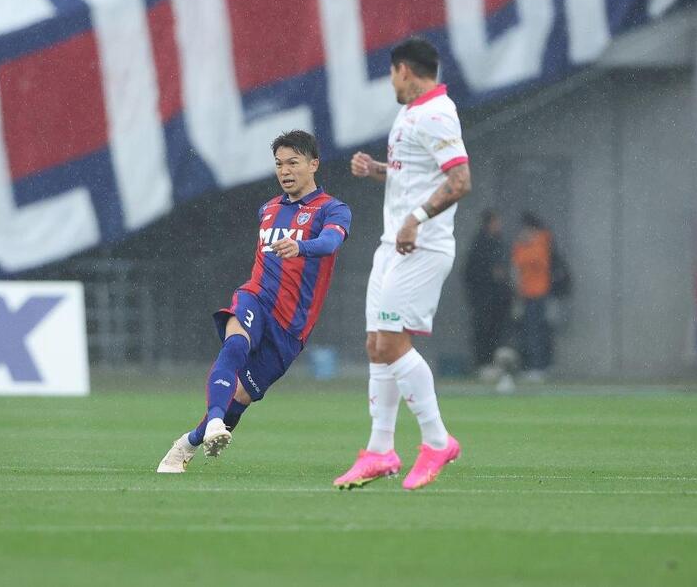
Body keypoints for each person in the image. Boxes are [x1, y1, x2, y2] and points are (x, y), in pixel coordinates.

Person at [157, 130, 352, 473]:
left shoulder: (332, 209)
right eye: (279, 164)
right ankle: (214, 421)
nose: (285, 171)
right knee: (235, 344)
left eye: (293, 162)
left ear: (313, 164)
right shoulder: (268, 209)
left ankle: (189, 441)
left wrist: (301, 246)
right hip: (256, 298)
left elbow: (330, 244)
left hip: (291, 326)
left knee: (241, 398)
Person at [334, 37, 471, 491]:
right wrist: (376, 169)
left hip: (421, 245)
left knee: (392, 342)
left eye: (392, 73)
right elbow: (415, 174)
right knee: (377, 344)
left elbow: (460, 179)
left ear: (404, 71)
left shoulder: (436, 113)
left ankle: (437, 441)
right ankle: (380, 451)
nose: (391, 82)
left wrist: (415, 219)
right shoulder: (412, 113)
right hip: (393, 243)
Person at [463, 209, 512, 376]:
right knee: (483, 331)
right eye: (496, 222)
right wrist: (489, 274)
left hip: (499, 299)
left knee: (497, 332)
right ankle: (482, 364)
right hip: (483, 299)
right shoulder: (480, 244)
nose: (499, 225)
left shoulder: (499, 242)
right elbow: (470, 272)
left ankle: (495, 365)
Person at [511, 212, 555, 381]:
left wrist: (525, 245)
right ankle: (532, 365)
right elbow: (516, 264)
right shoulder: (523, 245)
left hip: (539, 293)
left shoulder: (541, 241)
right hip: (526, 294)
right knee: (528, 331)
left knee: (536, 331)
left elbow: (534, 261)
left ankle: (539, 366)